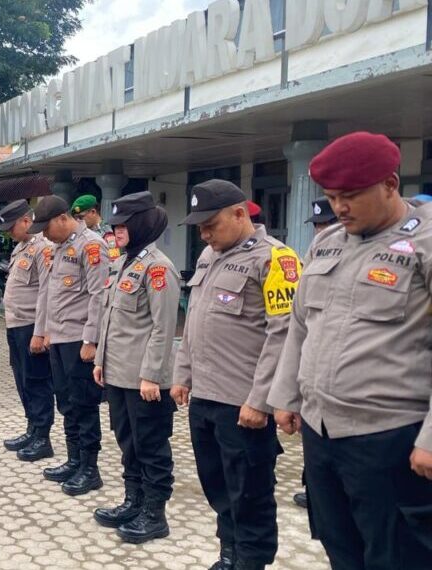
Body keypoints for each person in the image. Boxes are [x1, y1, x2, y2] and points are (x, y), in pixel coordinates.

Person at [269, 131, 432, 570]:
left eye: (351, 196)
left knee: (396, 554)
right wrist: (285, 397)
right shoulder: (327, 243)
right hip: (322, 433)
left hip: (390, 436)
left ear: (390, 184)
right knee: (340, 543)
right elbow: (299, 325)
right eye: (332, 196)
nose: (339, 207)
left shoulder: (425, 244)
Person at [172, 179, 300, 570]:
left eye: (211, 224)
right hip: (206, 399)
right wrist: (182, 373)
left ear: (240, 213)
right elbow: (194, 321)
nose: (205, 234)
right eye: (199, 228)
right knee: (218, 486)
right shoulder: (210, 257)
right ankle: (229, 554)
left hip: (244, 404)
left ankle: (252, 561)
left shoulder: (276, 259)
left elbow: (285, 333)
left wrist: (261, 400)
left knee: (250, 494)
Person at [91, 192, 180, 544]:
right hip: (118, 374)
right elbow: (109, 319)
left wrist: (151, 375)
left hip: (144, 381)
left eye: (124, 223)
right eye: (115, 224)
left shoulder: (158, 268)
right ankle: (134, 501)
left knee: (151, 446)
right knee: (128, 442)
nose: (117, 230)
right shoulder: (122, 263)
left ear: (142, 224)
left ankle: (155, 514)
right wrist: (100, 361)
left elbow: (163, 327)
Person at [28, 195, 109, 496]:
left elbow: (99, 296)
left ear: (63, 218)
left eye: (46, 227)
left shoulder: (91, 245)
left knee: (84, 405)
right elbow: (50, 294)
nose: (43, 234)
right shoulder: (58, 248)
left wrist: (92, 340)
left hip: (79, 340)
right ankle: (74, 460)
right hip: (59, 339)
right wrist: (44, 330)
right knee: (66, 402)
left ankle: (90, 469)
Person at [289, 197, 338, 509]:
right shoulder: (314, 257)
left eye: (326, 223)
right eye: (318, 224)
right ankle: (314, 485)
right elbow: (298, 324)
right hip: (314, 380)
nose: (321, 230)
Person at [0, 199, 55, 462]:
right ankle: (32, 427)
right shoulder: (21, 247)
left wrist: (40, 332)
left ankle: (43, 437)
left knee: (37, 381)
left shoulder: (43, 248)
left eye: (12, 226)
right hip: (15, 324)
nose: (10, 232)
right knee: (22, 379)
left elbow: (46, 292)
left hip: (31, 326)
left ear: (26, 220)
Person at [72, 194, 121, 261]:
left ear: (93, 212)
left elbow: (113, 263)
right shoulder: (80, 232)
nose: (78, 221)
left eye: (81, 217)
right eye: (76, 218)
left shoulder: (107, 235)